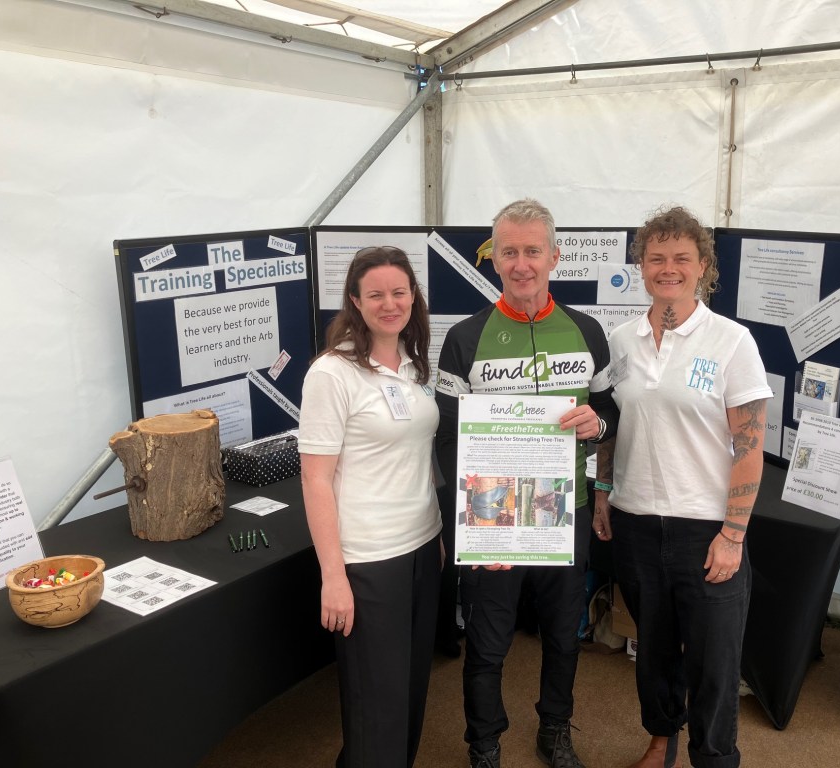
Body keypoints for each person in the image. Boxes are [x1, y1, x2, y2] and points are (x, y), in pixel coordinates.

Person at [435, 199, 617, 768]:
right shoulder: (464, 338)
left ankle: (555, 730)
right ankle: (484, 743)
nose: (521, 264)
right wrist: (474, 525)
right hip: (492, 516)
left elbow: (612, 413)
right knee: (488, 640)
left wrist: (597, 425)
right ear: (494, 260)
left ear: (554, 257)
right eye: (509, 252)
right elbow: (445, 438)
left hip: (566, 511)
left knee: (563, 634)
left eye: (532, 251)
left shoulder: (588, 331)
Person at [594, 206, 771, 768]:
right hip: (636, 522)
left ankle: (714, 757)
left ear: (703, 267)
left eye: (681, 258)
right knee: (653, 652)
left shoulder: (732, 341)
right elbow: (610, 424)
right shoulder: (620, 340)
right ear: (641, 266)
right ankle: (661, 739)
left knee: (714, 662)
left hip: (706, 529)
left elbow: (749, 446)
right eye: (656, 258)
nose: (667, 268)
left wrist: (733, 535)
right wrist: (602, 491)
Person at [300, 246, 442, 768]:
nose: (390, 303)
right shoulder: (332, 373)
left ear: (413, 298)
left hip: (421, 545)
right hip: (368, 557)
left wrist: (437, 533)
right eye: (376, 294)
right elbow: (315, 479)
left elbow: (418, 456)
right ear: (355, 301)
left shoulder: (413, 362)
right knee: (375, 703)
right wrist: (333, 576)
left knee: (410, 689)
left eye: (399, 292)